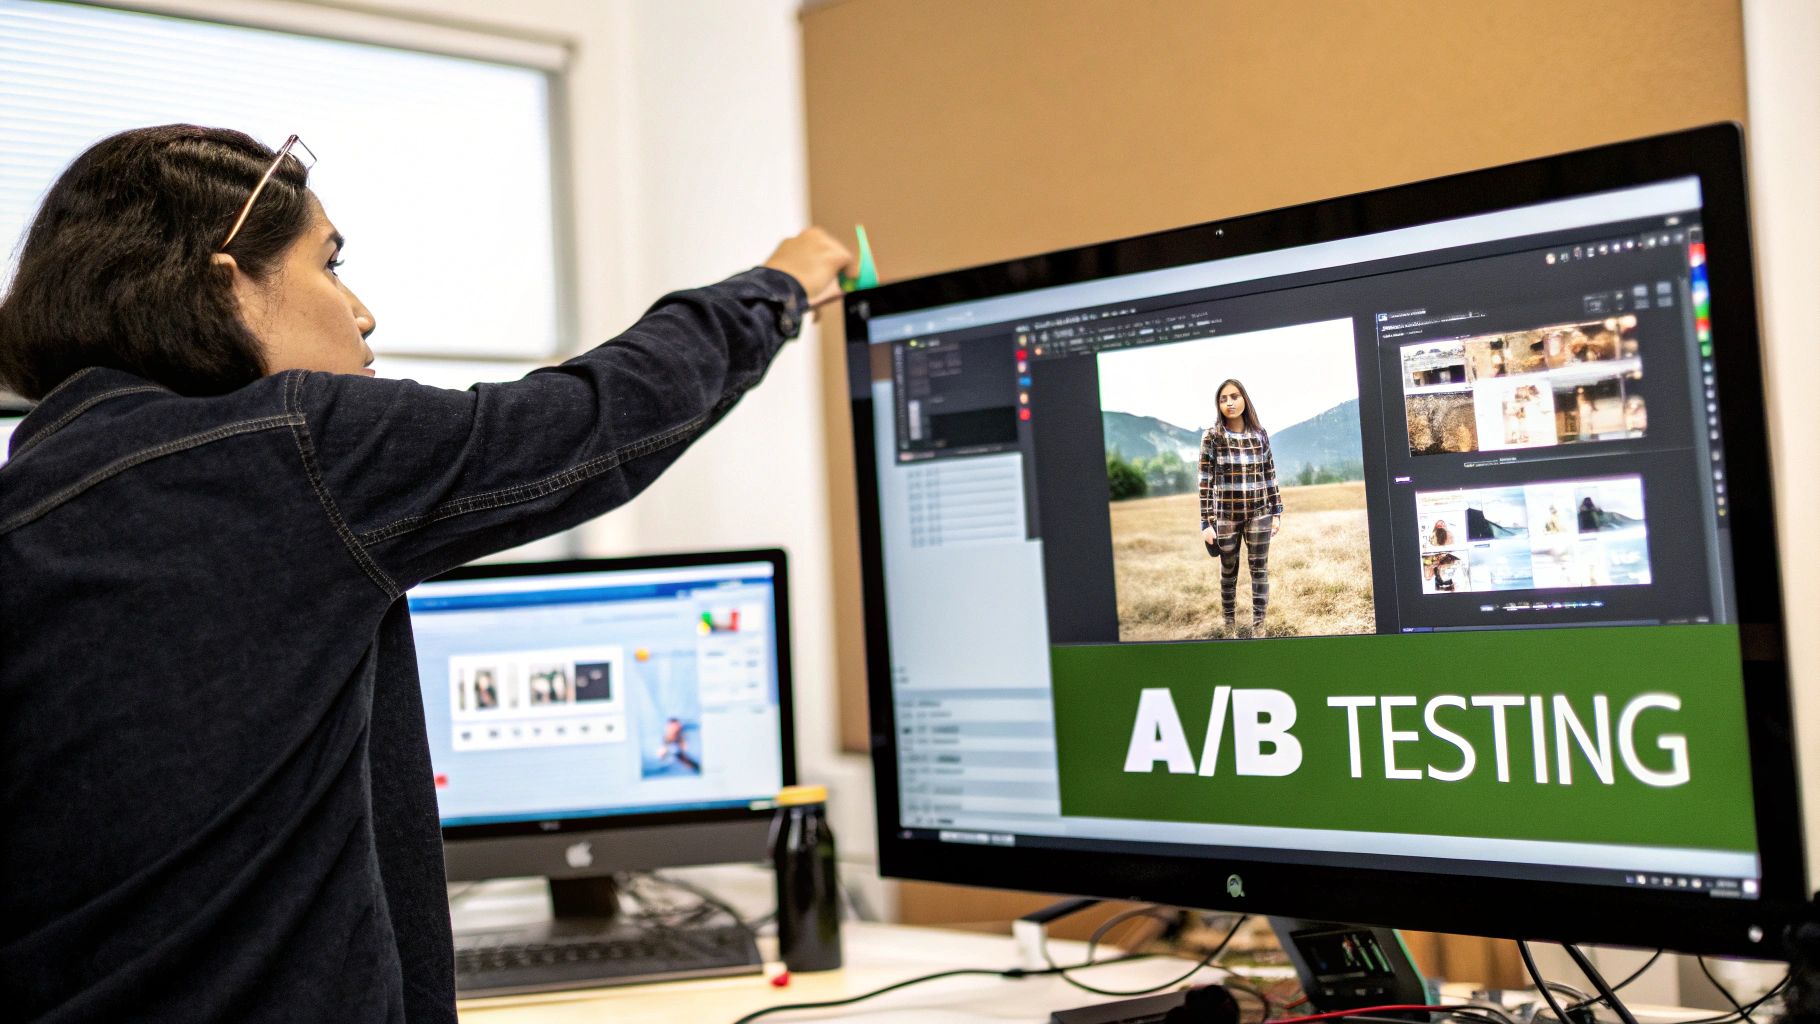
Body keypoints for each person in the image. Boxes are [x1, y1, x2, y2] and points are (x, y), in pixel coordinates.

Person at [0, 125, 851, 1022]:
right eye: (330, 265)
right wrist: (777, 289)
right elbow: (597, 419)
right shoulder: (293, 452)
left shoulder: (25, 512)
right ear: (227, 286)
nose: (360, 311)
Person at [1198, 378, 1284, 635]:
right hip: (1226, 517)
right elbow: (1205, 481)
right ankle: (1229, 627)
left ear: (1244, 399)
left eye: (1234, 396)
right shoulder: (1212, 437)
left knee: (1260, 570)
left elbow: (1270, 473)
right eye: (1223, 399)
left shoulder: (1260, 435)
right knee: (1228, 572)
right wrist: (1206, 522)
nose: (1229, 403)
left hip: (1260, 513)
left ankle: (1259, 627)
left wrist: (1276, 511)